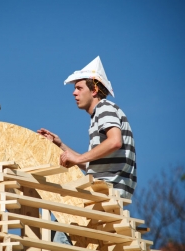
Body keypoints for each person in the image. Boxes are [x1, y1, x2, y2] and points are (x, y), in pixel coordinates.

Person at [38, 56, 136, 244]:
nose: (74, 93)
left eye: (79, 87)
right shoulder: (99, 116)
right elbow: (90, 163)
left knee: (61, 234)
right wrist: (60, 144)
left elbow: (115, 141)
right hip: (108, 191)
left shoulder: (104, 108)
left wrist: (78, 158)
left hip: (106, 190)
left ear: (95, 89)